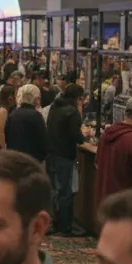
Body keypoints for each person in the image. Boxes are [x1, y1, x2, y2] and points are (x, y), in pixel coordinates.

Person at [45, 84, 85, 236]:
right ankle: (66, 227)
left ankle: (56, 223)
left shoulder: (55, 107)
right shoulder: (72, 112)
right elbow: (76, 135)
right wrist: (83, 139)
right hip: (65, 155)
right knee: (66, 191)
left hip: (52, 153)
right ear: (77, 98)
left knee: (55, 190)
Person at [5, 84, 47, 162]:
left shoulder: (12, 114)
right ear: (35, 99)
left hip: (15, 157)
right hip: (32, 158)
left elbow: (7, 137)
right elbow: (42, 139)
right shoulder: (36, 116)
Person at [0, 84, 17, 150]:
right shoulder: (2, 111)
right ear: (10, 97)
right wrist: (4, 148)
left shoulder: (6, 109)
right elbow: (0, 132)